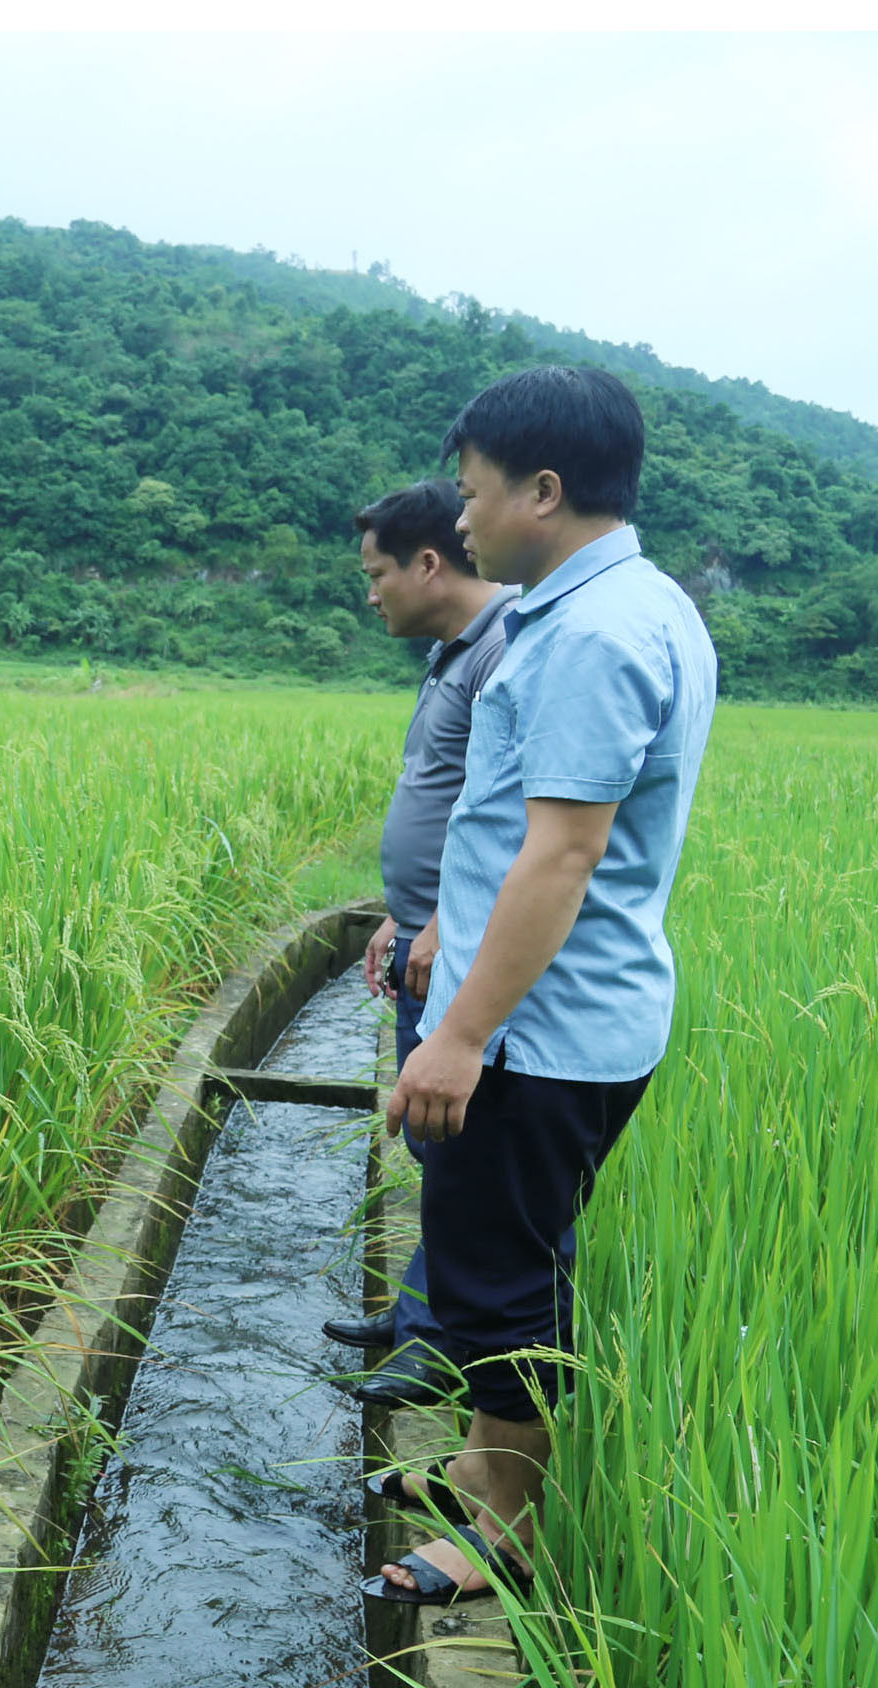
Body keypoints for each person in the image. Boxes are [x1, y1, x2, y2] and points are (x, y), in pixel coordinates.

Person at [367, 366, 717, 1606]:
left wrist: (456, 1033)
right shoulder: (625, 601)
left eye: (469, 496)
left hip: (534, 1036)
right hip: (558, 1018)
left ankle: (502, 1523)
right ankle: (475, 1463)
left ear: (543, 490)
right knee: (507, 1251)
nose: (456, 523)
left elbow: (558, 853)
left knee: (498, 1278)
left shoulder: (591, 635)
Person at [325, 479, 518, 1408]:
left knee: (457, 1148)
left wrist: (443, 919)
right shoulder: (456, 650)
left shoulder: (507, 649)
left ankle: (439, 1341)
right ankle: (417, 1314)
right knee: (435, 1151)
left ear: (428, 564)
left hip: (460, 950)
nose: (370, 592)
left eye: (376, 573)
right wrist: (405, 914)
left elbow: (508, 811)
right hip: (425, 937)